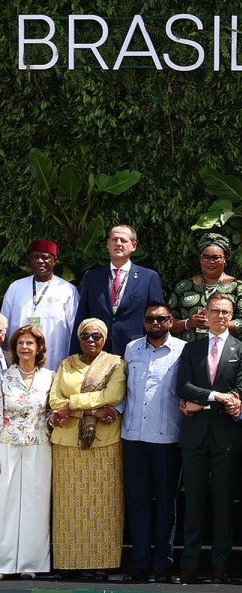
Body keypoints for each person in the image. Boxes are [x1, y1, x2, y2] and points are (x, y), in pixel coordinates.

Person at [173, 293, 242, 584]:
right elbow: (182, 386)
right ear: (205, 315)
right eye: (215, 311)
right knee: (192, 503)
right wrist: (216, 397)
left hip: (226, 438)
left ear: (231, 316)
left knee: (222, 504)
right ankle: (189, 565)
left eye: (225, 312)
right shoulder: (191, 349)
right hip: (194, 437)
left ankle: (221, 565)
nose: (220, 316)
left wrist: (202, 404)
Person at [47, 318, 127, 576]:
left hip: (104, 442)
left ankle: (101, 563)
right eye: (85, 336)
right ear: (79, 339)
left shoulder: (115, 363)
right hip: (67, 442)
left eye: (96, 336)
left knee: (104, 504)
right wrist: (90, 410)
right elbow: (55, 399)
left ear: (104, 339)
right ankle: (69, 563)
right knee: (68, 504)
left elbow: (113, 396)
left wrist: (72, 405)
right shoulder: (65, 363)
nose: (90, 340)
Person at [120, 302, 186, 582]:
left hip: (167, 437)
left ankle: (162, 562)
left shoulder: (183, 350)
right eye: (150, 319)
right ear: (144, 322)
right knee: (137, 500)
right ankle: (140, 561)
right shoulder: (131, 349)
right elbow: (122, 388)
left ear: (171, 322)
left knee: (165, 502)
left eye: (161, 319)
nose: (155, 323)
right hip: (133, 435)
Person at [0, 325, 53, 579]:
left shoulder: (50, 377)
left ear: (38, 347)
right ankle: (3, 563)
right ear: (14, 348)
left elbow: (53, 411)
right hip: (7, 443)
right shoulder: (3, 377)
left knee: (36, 502)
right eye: (20, 343)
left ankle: (31, 564)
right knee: (5, 503)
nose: (24, 347)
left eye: (30, 343)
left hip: (39, 443)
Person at [72, 225, 165, 357]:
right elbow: (82, 316)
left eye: (123, 240)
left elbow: (158, 317)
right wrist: (75, 354)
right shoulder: (92, 277)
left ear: (133, 246)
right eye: (114, 239)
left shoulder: (149, 277)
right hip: (98, 349)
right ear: (108, 244)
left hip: (136, 350)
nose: (118, 243)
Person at [1, 238, 78, 374]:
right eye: (35, 257)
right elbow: (3, 327)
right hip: (18, 361)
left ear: (55, 260)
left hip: (55, 360)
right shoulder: (15, 287)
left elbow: (74, 329)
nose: (39, 261)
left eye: (45, 257)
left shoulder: (68, 291)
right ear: (29, 260)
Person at [168, 233, 242, 342]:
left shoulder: (239, 288)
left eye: (216, 257)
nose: (211, 262)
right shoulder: (184, 287)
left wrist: (214, 324)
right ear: (200, 259)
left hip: (225, 354)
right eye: (206, 257)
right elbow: (168, 322)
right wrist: (189, 323)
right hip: (189, 353)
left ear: (225, 259)